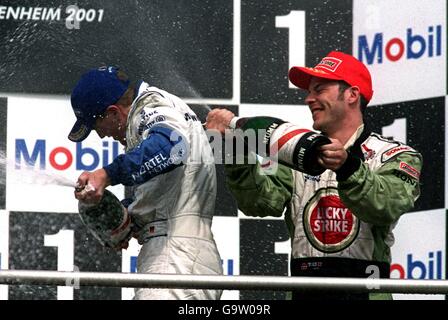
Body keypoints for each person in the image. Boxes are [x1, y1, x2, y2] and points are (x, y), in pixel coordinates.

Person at [205, 51, 422, 300]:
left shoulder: (395, 155)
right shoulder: (295, 153)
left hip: (366, 293)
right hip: (303, 294)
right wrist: (237, 150)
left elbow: (385, 206)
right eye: (309, 92)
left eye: (319, 89)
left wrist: (347, 166)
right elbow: (260, 204)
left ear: (352, 94)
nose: (309, 99)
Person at [68, 65, 223, 300]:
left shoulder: (149, 106)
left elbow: (174, 148)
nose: (101, 135)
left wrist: (107, 174)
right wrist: (123, 219)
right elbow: (164, 187)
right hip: (180, 256)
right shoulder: (157, 114)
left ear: (113, 112)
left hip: (175, 257)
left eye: (97, 126)